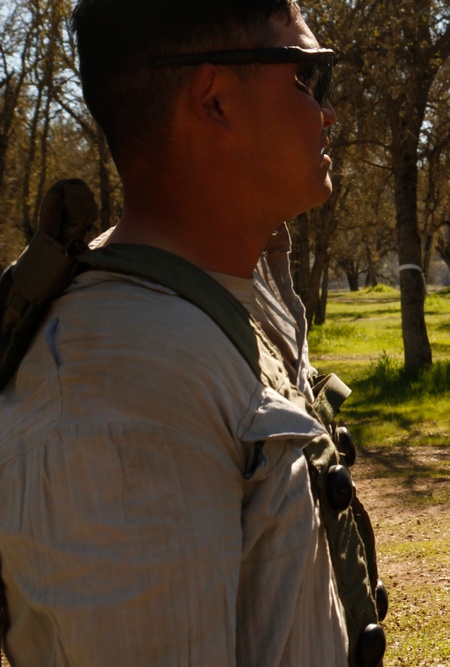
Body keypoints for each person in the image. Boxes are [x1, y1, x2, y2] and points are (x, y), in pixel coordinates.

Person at [0, 1, 382, 665]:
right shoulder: (116, 388)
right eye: (303, 76)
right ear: (215, 101)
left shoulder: (218, 301)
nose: (326, 112)